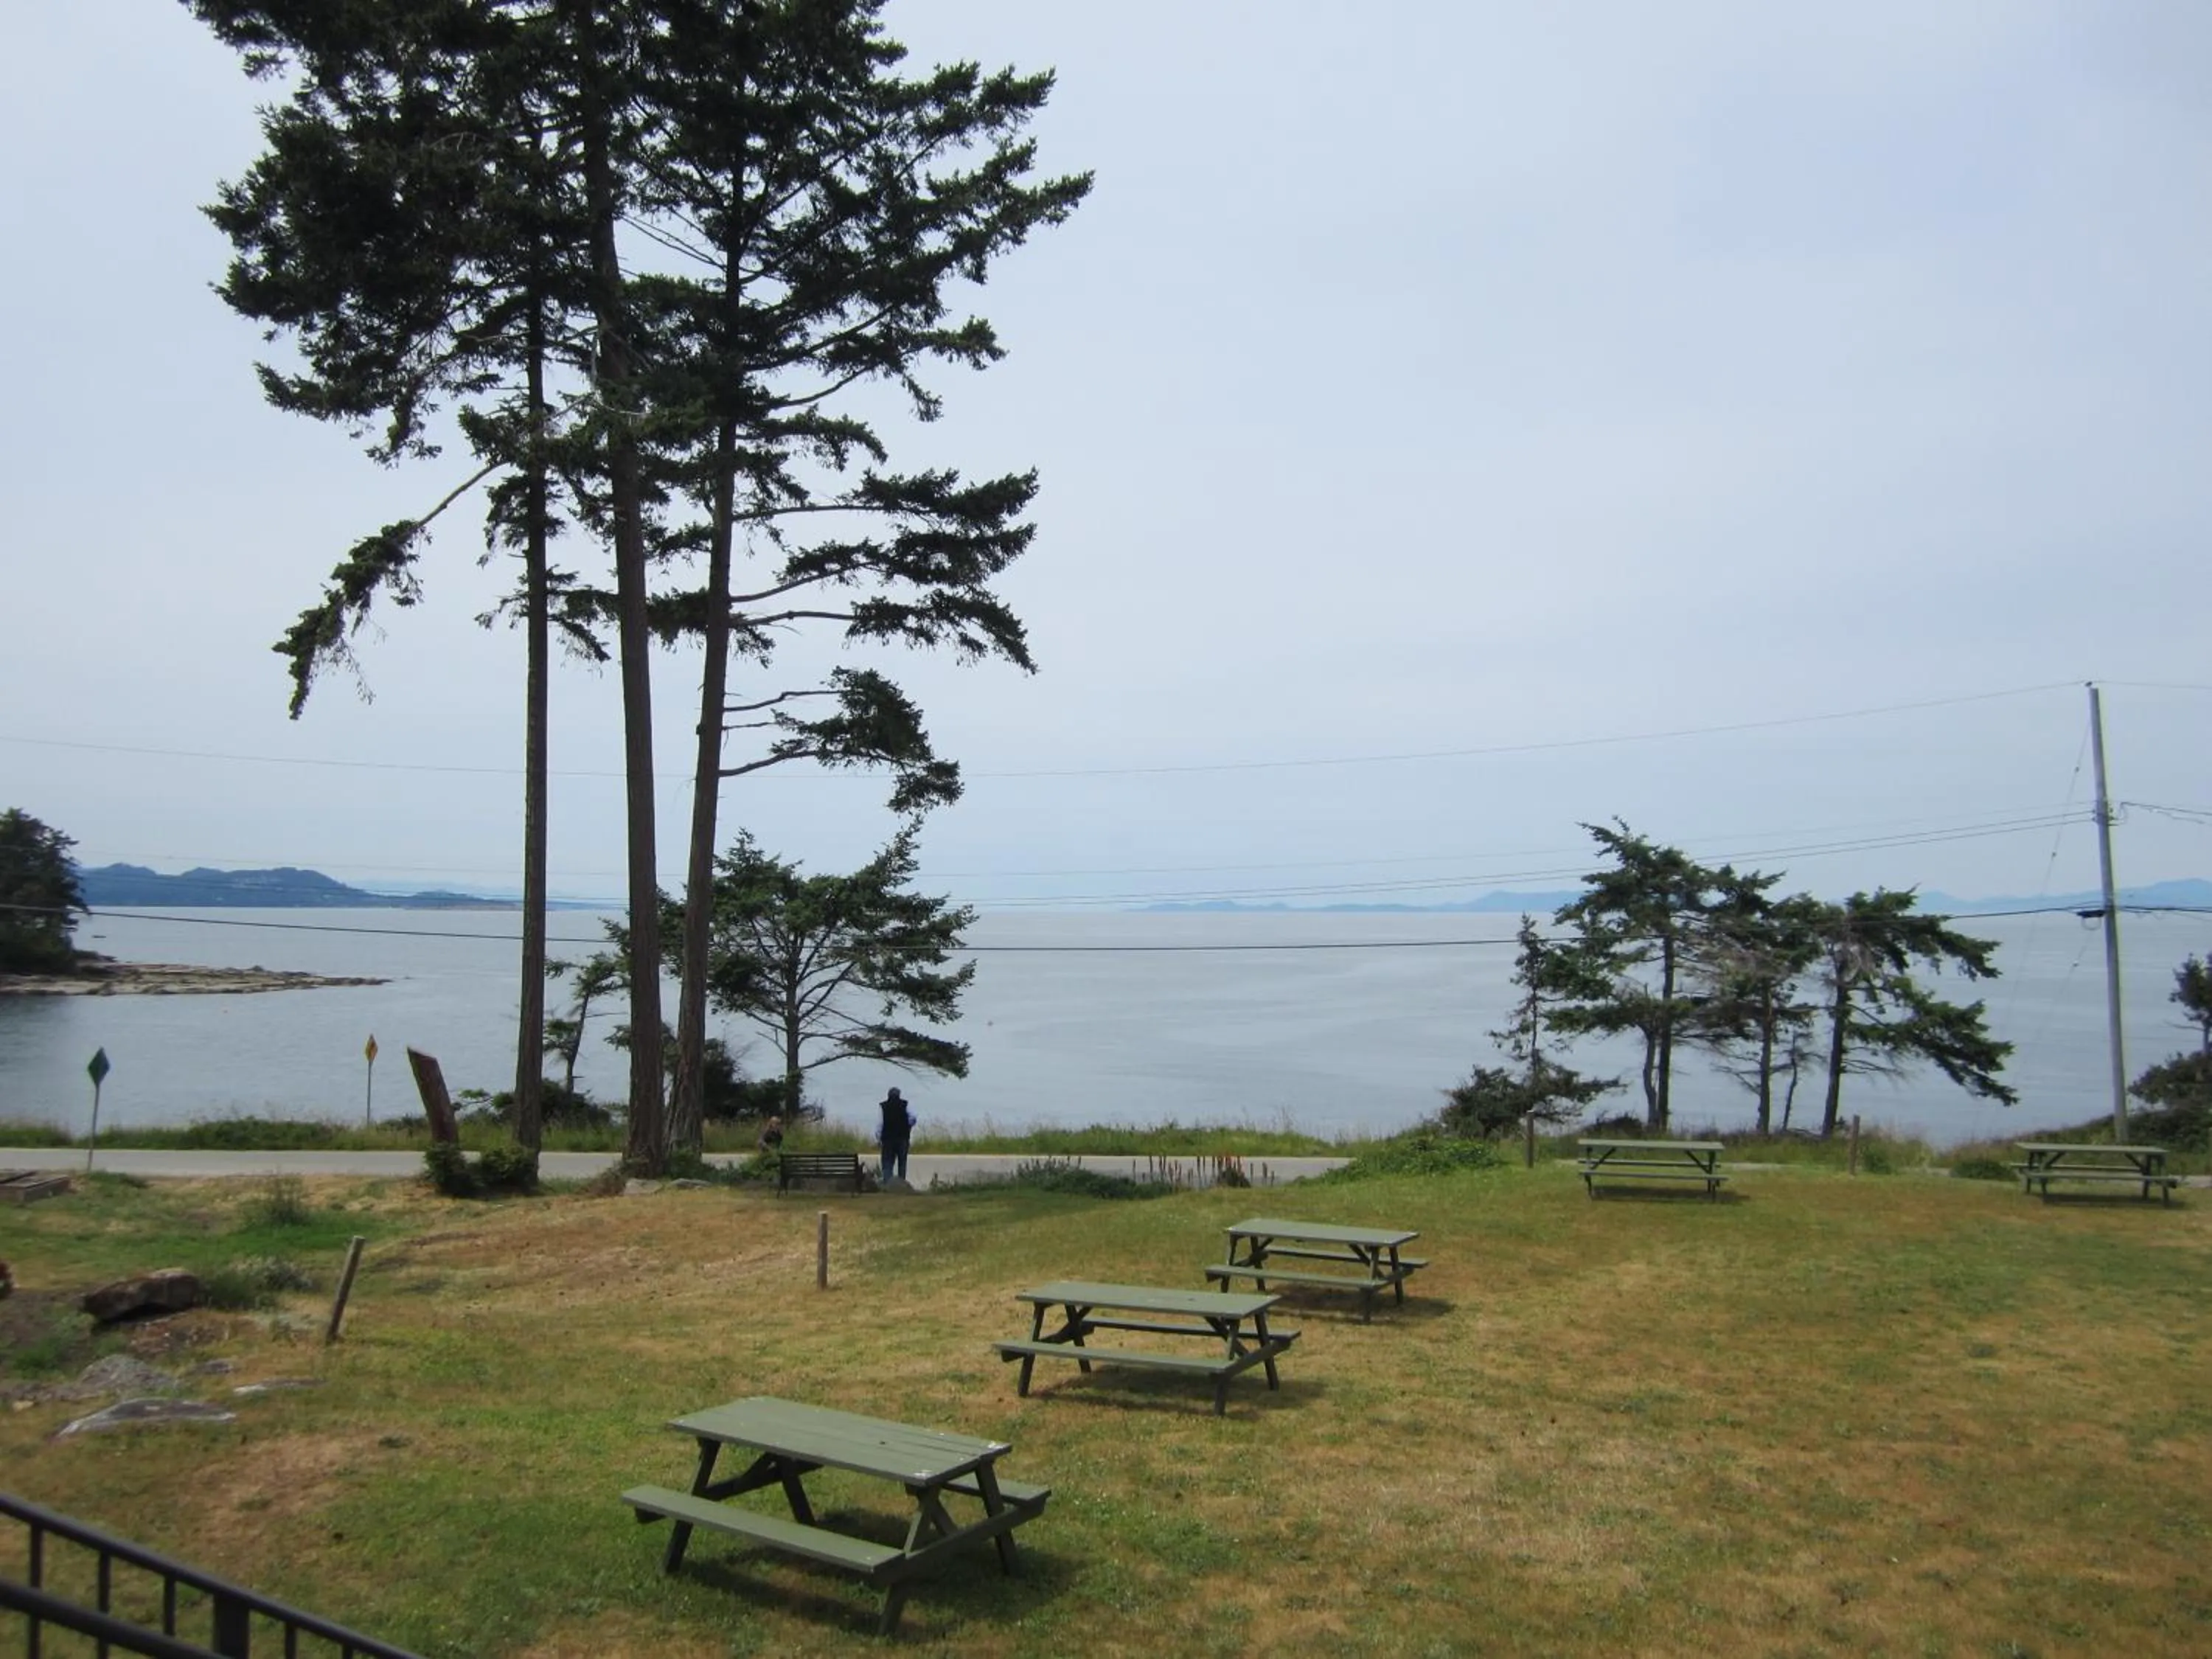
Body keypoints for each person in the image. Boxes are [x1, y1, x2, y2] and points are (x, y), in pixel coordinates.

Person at [877, 1086, 914, 1184]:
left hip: (887, 1139)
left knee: (887, 1162)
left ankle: (888, 1183)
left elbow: (880, 1124)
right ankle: (901, 1183)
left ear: (888, 1095)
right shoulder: (905, 1104)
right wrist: (908, 1126)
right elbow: (913, 1118)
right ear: (899, 1095)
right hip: (903, 1137)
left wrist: (878, 1138)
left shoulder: (883, 1106)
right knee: (902, 1162)